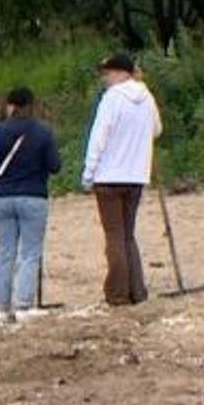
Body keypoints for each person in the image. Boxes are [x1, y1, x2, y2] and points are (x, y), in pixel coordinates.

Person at [80, 53, 162, 307]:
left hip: (109, 176)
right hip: (136, 174)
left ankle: (117, 293)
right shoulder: (147, 97)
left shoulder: (112, 99)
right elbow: (157, 130)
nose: (105, 78)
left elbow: (99, 137)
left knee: (114, 235)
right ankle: (137, 290)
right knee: (128, 234)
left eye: (108, 73)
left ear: (121, 73)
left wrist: (88, 173)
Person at [0, 87, 62, 324]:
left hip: (3, 199)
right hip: (33, 197)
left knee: (5, 253)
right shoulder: (43, 131)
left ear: (10, 105)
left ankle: (2, 307)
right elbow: (54, 166)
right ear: (31, 105)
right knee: (30, 253)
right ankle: (24, 305)